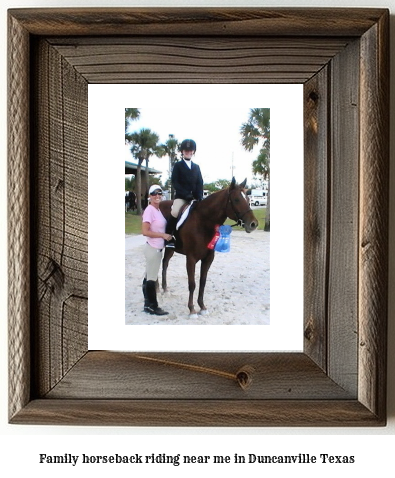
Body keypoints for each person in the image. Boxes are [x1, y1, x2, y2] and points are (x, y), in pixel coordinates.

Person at [165, 139, 203, 247]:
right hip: (182, 197)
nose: (188, 152)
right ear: (182, 151)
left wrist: (199, 196)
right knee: (175, 211)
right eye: (186, 150)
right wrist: (186, 194)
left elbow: (200, 182)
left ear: (193, 152)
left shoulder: (196, 167)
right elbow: (175, 182)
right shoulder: (178, 165)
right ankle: (169, 237)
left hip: (195, 197)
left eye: (190, 150)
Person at [141, 184, 172, 315]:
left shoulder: (158, 210)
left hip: (157, 248)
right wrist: (163, 235)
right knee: (152, 278)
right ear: (150, 196)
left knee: (148, 275)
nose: (157, 196)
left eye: (159, 193)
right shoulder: (150, 210)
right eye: (154, 194)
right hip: (153, 248)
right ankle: (153, 306)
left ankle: (147, 304)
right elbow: (145, 231)